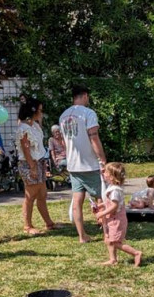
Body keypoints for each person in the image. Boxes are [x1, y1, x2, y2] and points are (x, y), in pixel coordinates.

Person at [59, 84, 107, 243]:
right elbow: (94, 137)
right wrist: (103, 159)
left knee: (77, 200)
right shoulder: (89, 113)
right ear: (85, 95)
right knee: (101, 198)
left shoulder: (63, 116)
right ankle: (107, 232)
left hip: (73, 164)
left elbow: (65, 142)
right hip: (89, 163)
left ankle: (82, 236)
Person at [17, 97, 59, 235]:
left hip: (39, 162)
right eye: (39, 110)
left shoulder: (33, 125)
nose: (42, 112)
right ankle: (27, 226)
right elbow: (26, 149)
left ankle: (49, 223)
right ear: (33, 111)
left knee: (42, 194)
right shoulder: (23, 128)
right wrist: (32, 167)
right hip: (30, 163)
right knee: (30, 195)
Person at [94, 162, 141, 266]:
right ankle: (113, 259)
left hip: (116, 220)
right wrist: (101, 205)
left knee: (116, 242)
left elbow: (114, 206)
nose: (103, 173)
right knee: (109, 240)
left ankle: (136, 253)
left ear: (111, 177)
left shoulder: (115, 190)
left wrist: (102, 213)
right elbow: (110, 202)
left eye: (105, 171)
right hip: (112, 218)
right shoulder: (112, 187)